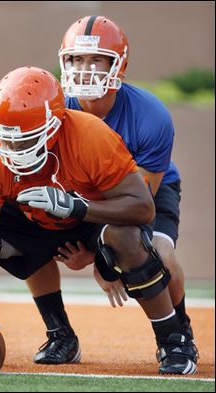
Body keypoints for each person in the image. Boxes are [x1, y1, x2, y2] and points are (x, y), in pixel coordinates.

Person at [0, 66, 189, 375]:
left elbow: (142, 208)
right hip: (34, 221)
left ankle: (173, 340)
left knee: (128, 239)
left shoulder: (89, 135)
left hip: (89, 217)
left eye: (26, 138)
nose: (13, 149)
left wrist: (78, 208)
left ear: (54, 123)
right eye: (5, 138)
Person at [54, 15, 198, 374]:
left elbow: (138, 208)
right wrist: (88, 247)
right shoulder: (56, 112)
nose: (84, 69)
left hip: (145, 193)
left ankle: (179, 334)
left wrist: (104, 258)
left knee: (159, 252)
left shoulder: (150, 116)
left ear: (118, 64)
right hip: (82, 193)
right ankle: (58, 334)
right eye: (76, 59)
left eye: (95, 59)